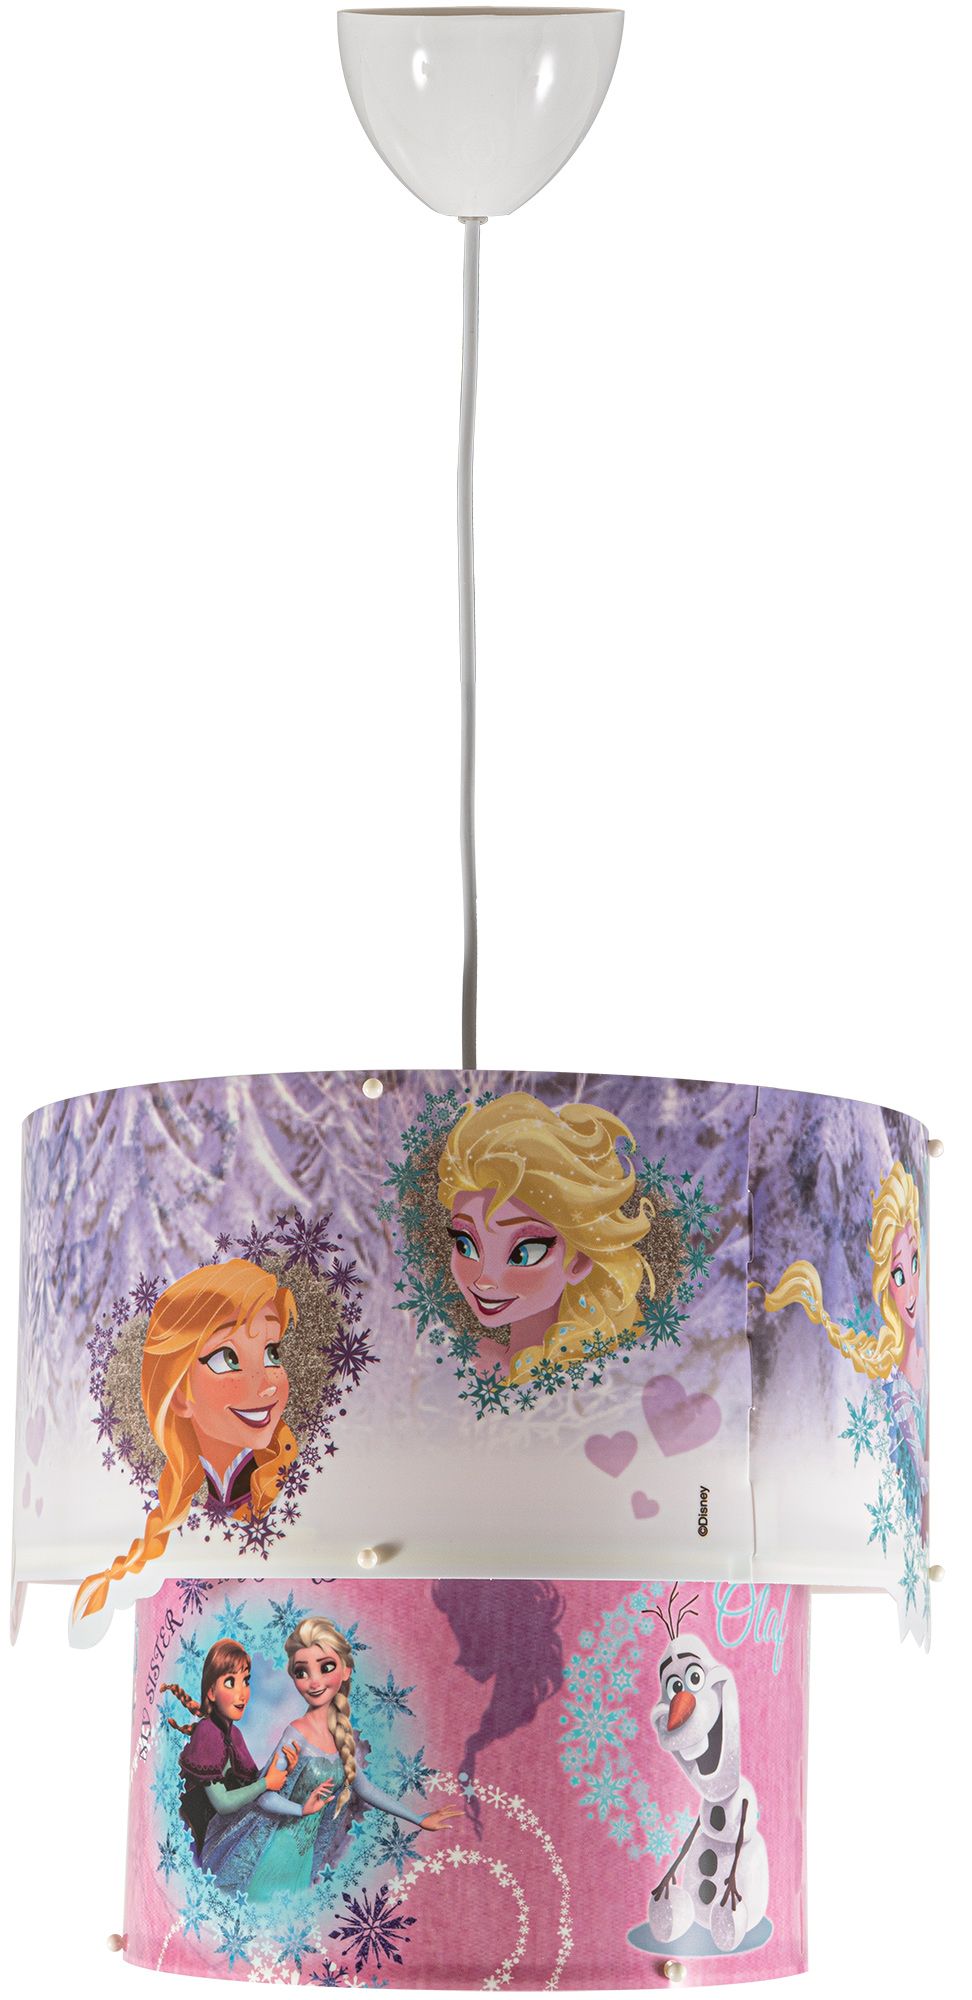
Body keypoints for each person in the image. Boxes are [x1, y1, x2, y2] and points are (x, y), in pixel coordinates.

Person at [74, 1259, 297, 1623]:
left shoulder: (285, 1484)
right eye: (228, 1359)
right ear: (178, 1392)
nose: (267, 1384)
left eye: (272, 1352)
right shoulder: (177, 1500)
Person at [196, 1616, 464, 1902]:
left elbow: (365, 1788)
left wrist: (419, 1819)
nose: (314, 1681)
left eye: (325, 1668)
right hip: (276, 1849)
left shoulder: (342, 1736)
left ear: (345, 1671)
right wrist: (302, 1809)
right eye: (302, 1672)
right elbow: (265, 1797)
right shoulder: (296, 1733)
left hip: (304, 1857)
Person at [438, 1091, 655, 1385]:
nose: (484, 1280)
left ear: (580, 1260)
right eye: (466, 1245)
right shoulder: (476, 1361)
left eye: (523, 1254)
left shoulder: (586, 1378)